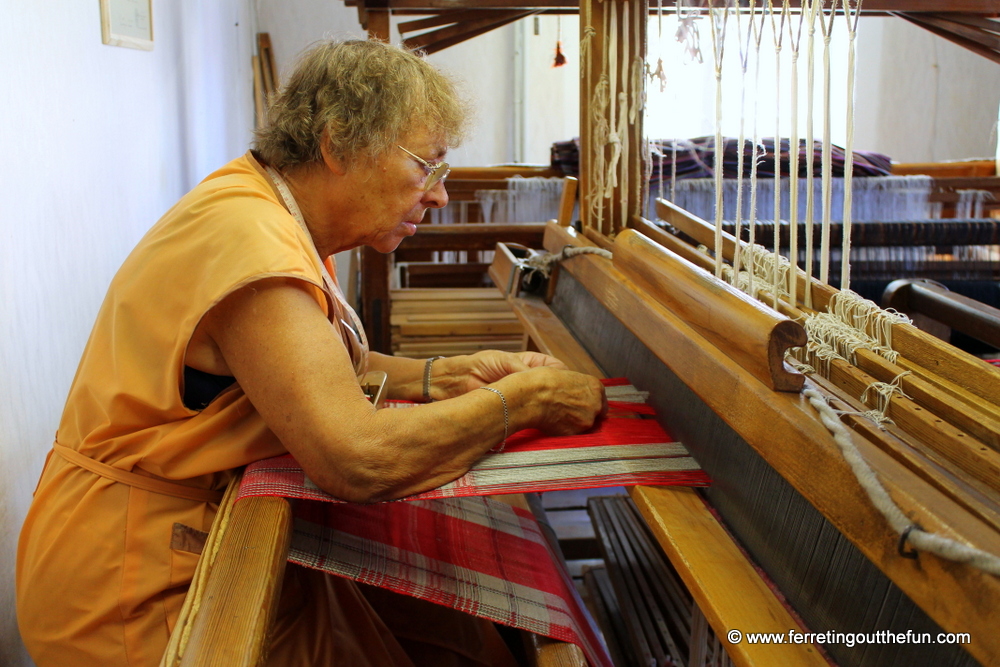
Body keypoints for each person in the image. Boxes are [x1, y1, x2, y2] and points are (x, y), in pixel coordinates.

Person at [16, 39, 606, 666]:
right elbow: (356, 459)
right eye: (426, 167)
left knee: (452, 641)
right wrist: (528, 399)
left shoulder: (271, 211)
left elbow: (315, 364)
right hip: (138, 580)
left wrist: (443, 375)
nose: (438, 195)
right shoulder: (250, 242)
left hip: (209, 528)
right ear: (337, 145)